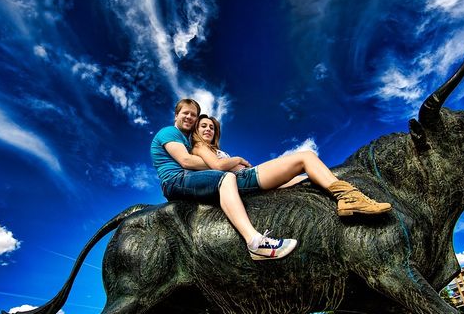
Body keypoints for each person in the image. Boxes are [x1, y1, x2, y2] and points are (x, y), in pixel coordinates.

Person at [150, 99, 391, 261]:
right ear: (179, 116)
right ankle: (347, 197)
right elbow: (205, 166)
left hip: (243, 174)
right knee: (305, 156)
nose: (205, 129)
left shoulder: (210, 148)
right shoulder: (195, 145)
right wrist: (236, 160)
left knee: (305, 177)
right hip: (236, 178)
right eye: (198, 122)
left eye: (210, 127)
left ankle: (342, 193)